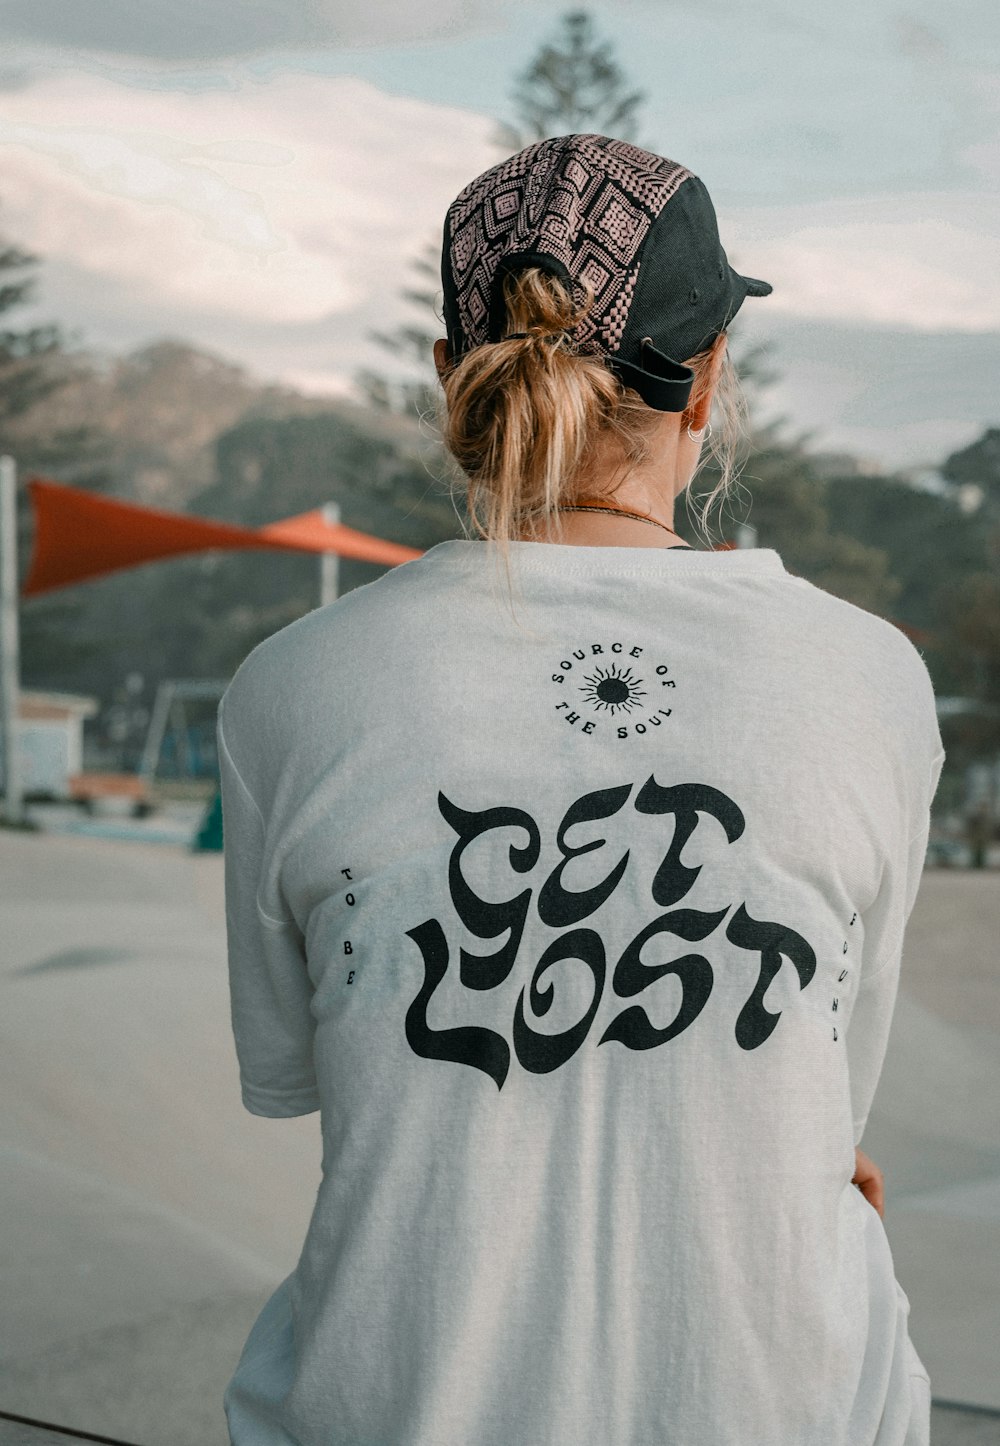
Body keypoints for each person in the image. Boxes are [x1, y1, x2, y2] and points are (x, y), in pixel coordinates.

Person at [218, 135, 945, 1445]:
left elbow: (318, 1068)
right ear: (710, 379)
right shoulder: (871, 681)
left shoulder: (290, 685)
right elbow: (829, 1101)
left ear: (452, 377)